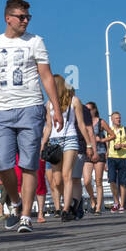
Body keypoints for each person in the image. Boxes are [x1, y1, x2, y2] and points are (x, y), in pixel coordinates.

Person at [0, 0, 62, 234]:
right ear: (8, 18)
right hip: (2, 110)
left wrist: (55, 109)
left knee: (29, 163)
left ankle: (25, 217)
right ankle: (16, 202)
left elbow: (46, 76)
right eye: (21, 17)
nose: (25, 21)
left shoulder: (35, 42)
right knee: (2, 164)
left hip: (30, 107)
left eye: (28, 17)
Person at [42, 75, 91, 221]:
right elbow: (48, 127)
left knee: (66, 175)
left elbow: (81, 124)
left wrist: (88, 144)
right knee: (56, 180)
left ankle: (66, 209)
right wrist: (43, 143)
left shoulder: (74, 101)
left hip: (70, 139)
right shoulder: (49, 104)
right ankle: (74, 201)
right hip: (54, 142)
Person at [104, 111, 126, 211]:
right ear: (112, 120)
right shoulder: (108, 130)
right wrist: (105, 162)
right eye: (116, 118)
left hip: (123, 157)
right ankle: (116, 202)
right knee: (112, 180)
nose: (119, 119)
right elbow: (107, 147)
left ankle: (122, 205)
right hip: (111, 157)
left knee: (122, 182)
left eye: (119, 118)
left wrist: (122, 145)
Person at [86, 101, 110, 213]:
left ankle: (98, 207)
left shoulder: (101, 122)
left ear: (94, 110)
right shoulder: (84, 122)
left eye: (89, 109)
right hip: (88, 152)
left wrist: (102, 140)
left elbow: (112, 135)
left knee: (98, 180)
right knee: (86, 181)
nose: (87, 112)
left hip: (100, 152)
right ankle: (92, 200)